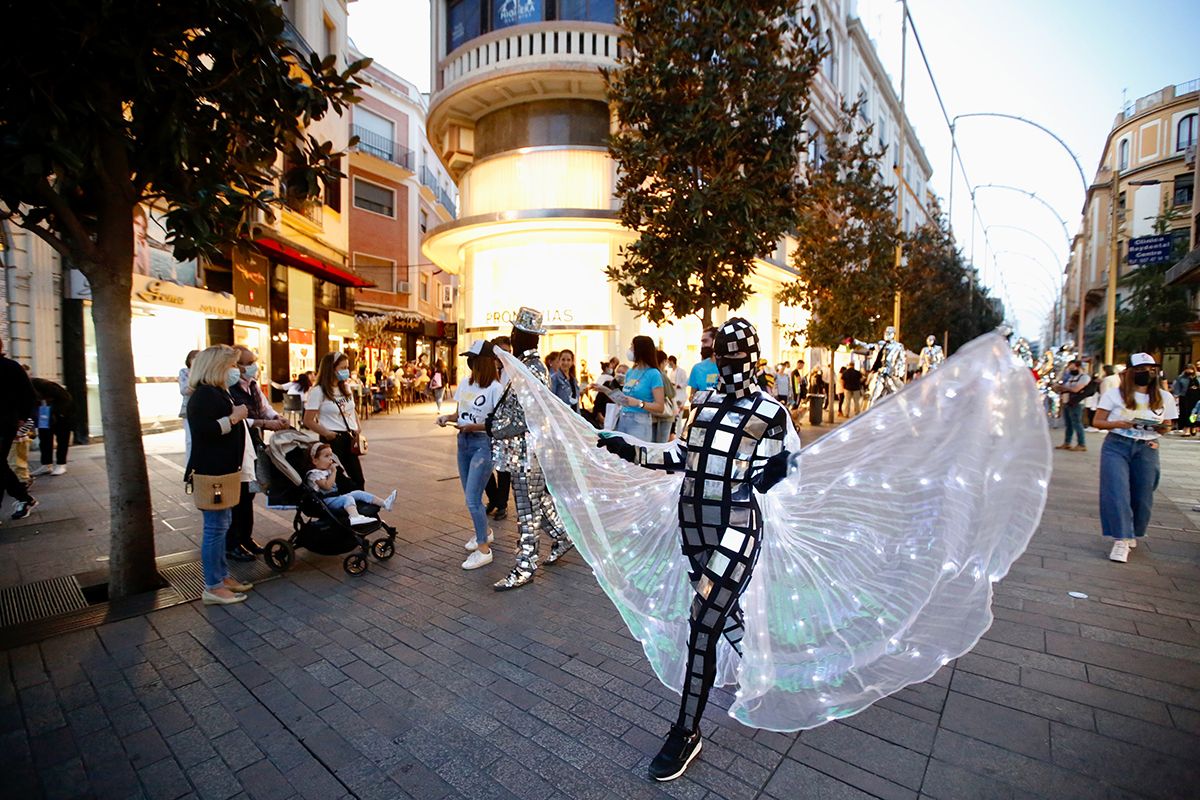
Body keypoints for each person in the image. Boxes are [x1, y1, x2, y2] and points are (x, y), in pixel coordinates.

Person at [597, 318, 793, 780]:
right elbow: (680, 457)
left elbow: (782, 473)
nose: (728, 365)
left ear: (753, 359)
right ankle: (764, 670)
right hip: (693, 528)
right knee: (723, 616)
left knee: (703, 620)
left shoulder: (770, 413)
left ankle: (685, 731)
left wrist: (777, 471)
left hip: (737, 527)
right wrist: (627, 447)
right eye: (721, 357)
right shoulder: (702, 405)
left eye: (736, 358)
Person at [489, 307, 572, 590]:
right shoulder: (522, 366)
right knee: (537, 501)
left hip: (528, 451)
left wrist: (499, 428)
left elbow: (532, 414)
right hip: (523, 450)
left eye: (515, 332)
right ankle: (563, 535)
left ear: (522, 336)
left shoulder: (532, 369)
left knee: (527, 510)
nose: (511, 335)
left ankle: (525, 565)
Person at [185, 345, 254, 605]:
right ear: (217, 368)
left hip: (224, 471)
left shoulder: (217, 393)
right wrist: (235, 418)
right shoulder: (203, 395)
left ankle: (222, 576)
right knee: (215, 528)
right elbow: (206, 431)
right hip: (211, 472)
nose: (236, 371)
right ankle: (212, 585)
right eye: (232, 366)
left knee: (222, 525)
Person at [1093, 353, 1177, 563]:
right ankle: (1121, 538)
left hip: (1148, 446)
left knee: (1143, 494)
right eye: (1140, 369)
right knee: (1116, 490)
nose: (1146, 373)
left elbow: (1168, 424)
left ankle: (1134, 532)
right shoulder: (1114, 395)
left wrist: (1161, 428)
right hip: (1117, 444)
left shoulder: (1163, 397)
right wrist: (1120, 424)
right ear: (1129, 372)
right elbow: (1098, 421)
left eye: (1150, 369)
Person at [438, 339, 505, 569]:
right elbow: (460, 413)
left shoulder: (496, 389)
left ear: (482, 363)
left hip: (482, 444)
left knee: (472, 499)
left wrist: (473, 427)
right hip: (463, 442)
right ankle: (484, 532)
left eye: (473, 359)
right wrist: (447, 418)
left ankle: (483, 549)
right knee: (471, 496)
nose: (469, 363)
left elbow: (497, 425)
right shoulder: (466, 384)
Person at [226, 346, 289, 562]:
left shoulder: (252, 385)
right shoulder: (228, 388)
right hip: (236, 445)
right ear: (235, 365)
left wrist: (277, 417)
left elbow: (264, 407)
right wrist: (266, 423)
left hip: (253, 442)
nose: (253, 366)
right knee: (239, 495)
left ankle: (246, 537)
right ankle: (233, 543)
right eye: (248, 362)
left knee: (250, 491)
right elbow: (239, 418)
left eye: (254, 361)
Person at [304, 352, 365, 491]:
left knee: (358, 478)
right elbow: (308, 420)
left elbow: (352, 409)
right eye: (342, 368)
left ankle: (360, 507)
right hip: (333, 438)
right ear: (331, 369)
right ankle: (346, 507)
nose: (346, 371)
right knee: (340, 478)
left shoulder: (345, 387)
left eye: (347, 367)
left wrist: (358, 427)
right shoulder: (318, 391)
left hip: (350, 437)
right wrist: (326, 433)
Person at [593, 335, 664, 442]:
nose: (629, 350)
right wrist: (605, 390)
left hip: (640, 423)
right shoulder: (631, 372)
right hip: (623, 419)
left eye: (632, 347)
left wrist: (639, 403)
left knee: (636, 456)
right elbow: (624, 400)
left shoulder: (653, 374)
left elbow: (660, 407)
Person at [305, 443, 395, 526]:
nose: (330, 459)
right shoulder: (314, 474)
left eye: (331, 455)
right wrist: (334, 472)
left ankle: (384, 503)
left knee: (358, 493)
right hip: (326, 501)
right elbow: (327, 486)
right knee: (347, 498)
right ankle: (354, 517)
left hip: (335, 497)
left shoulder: (325, 470)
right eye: (326, 456)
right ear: (315, 461)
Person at [0, 338, 38, 520]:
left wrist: (22, 419)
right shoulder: (12, 367)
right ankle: (24, 498)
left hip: (5, 423)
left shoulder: (11, 367)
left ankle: (24, 498)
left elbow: (30, 396)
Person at [484, 335, 512, 521]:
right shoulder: (486, 372)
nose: (504, 356)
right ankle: (493, 499)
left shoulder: (513, 373)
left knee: (503, 468)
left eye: (508, 352)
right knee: (485, 465)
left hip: (505, 427)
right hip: (485, 425)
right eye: (501, 352)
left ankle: (501, 504)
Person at [29, 378, 74, 477]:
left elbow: (65, 399)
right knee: (44, 439)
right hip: (43, 413)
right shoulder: (27, 388)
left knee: (62, 439)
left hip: (60, 414)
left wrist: (58, 413)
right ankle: (46, 464)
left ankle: (61, 464)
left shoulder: (46, 386)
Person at [1054, 359, 1091, 452]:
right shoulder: (1071, 377)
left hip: (1076, 403)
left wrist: (1062, 388)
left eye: (1072, 367)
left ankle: (1081, 444)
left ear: (1078, 367)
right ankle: (1067, 443)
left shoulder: (1084, 377)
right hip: (1067, 402)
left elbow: (1076, 389)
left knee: (1077, 423)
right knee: (1069, 424)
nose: (1070, 370)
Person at [652, 350, 678, 443]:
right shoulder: (661, 374)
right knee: (662, 443)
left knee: (652, 443)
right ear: (663, 361)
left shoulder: (649, 373)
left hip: (652, 412)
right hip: (665, 413)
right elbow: (671, 393)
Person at [687, 328, 719, 401]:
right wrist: (693, 398)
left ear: (716, 341)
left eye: (705, 341)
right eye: (702, 342)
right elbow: (692, 396)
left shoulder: (729, 366)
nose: (702, 346)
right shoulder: (697, 368)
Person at [180, 350, 199, 467]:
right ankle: (190, 467)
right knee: (190, 440)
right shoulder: (184, 372)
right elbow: (184, 390)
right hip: (189, 409)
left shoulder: (206, 372)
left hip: (203, 409)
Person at [1171, 366, 1200, 435]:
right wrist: (1175, 396)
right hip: (1185, 396)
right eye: (1187, 369)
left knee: (1194, 413)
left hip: (1196, 396)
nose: (1189, 370)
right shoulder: (1181, 377)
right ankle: (1186, 428)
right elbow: (1177, 388)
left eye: (1191, 369)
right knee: (1185, 413)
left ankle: (1193, 426)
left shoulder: (1198, 376)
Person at [550, 349, 580, 413]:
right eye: (563, 359)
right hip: (562, 416)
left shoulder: (574, 380)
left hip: (574, 416)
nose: (565, 363)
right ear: (559, 361)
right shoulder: (554, 378)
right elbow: (551, 399)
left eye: (568, 360)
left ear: (572, 362)